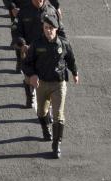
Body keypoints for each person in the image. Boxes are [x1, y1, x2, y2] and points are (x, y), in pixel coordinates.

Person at [22, 14, 78, 159]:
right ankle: (45, 128)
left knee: (59, 115)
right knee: (41, 111)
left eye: (51, 28)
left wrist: (75, 72)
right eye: (46, 28)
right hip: (42, 84)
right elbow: (26, 63)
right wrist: (32, 75)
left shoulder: (63, 44)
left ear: (56, 29)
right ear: (43, 28)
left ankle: (56, 145)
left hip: (58, 83)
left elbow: (70, 58)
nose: (48, 31)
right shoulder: (36, 44)